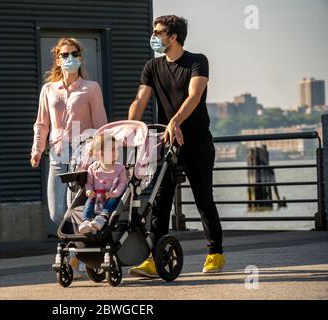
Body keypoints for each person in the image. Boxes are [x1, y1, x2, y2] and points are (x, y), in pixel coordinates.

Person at [127, 15, 225, 276]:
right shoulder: (152, 66)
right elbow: (140, 99)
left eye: (158, 32)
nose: (154, 36)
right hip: (166, 144)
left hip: (197, 143)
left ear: (172, 37)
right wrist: (129, 126)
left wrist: (175, 121)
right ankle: (154, 257)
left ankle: (215, 253)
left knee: (203, 198)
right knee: (161, 201)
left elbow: (195, 96)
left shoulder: (197, 61)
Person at [30, 37, 108, 277]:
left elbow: (101, 125)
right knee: (56, 212)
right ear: (58, 59)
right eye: (65, 55)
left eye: (74, 54)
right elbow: (42, 123)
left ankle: (80, 256)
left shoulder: (91, 88)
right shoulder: (48, 90)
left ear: (80, 57)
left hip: (83, 155)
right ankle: (78, 253)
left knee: (79, 207)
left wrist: (100, 156)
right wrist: (36, 149)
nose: (70, 58)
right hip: (57, 154)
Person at [79, 134, 128, 234]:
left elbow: (122, 183)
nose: (116, 152)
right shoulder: (93, 168)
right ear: (101, 154)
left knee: (112, 200)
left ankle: (102, 217)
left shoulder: (120, 168)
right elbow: (89, 183)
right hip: (96, 196)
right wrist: (89, 190)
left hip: (111, 195)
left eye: (116, 149)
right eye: (112, 150)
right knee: (89, 201)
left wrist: (114, 193)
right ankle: (86, 221)